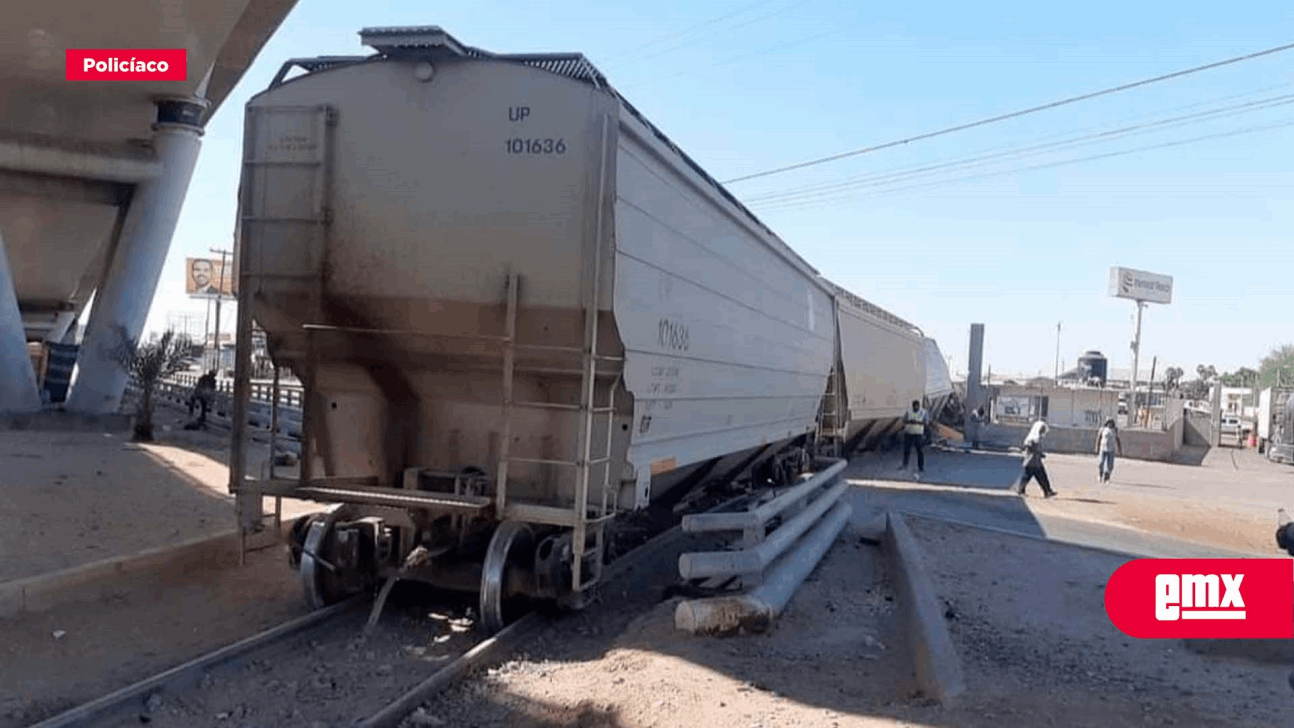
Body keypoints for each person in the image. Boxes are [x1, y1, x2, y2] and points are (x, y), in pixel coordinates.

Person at [1012, 419, 1056, 498]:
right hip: (1031, 462)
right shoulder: (1032, 438)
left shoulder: (1037, 438)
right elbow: (1029, 447)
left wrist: (1040, 454)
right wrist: (1035, 452)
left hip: (1036, 461)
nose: (1043, 431)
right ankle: (1020, 489)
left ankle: (1047, 491)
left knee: (1042, 476)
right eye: (1042, 429)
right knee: (1027, 476)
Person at [899, 399, 928, 479]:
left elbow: (926, 423)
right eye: (914, 406)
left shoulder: (923, 412)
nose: (915, 408)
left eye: (916, 406)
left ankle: (921, 467)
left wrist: (917, 423)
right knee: (906, 450)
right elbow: (903, 420)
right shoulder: (909, 412)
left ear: (919, 406)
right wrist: (909, 421)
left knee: (920, 451)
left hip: (918, 434)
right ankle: (904, 465)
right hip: (909, 433)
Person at [1094, 418, 1123, 483]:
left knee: (1110, 464)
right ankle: (1100, 474)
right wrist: (1097, 447)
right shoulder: (1103, 429)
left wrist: (1120, 449)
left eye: (1111, 423)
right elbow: (1099, 438)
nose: (1110, 424)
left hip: (1111, 449)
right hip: (1103, 448)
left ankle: (1107, 476)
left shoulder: (1115, 430)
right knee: (1101, 462)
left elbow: (1118, 440)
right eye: (1108, 422)